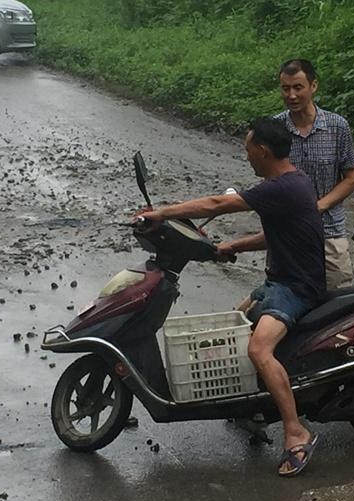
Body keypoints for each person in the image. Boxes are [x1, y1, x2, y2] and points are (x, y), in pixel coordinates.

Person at [137, 117, 325, 477]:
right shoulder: (291, 182)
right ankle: (254, 408)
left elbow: (214, 204)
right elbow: (279, 235)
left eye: (248, 150)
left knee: (257, 349)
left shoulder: (280, 187)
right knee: (235, 326)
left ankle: (296, 431)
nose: (247, 156)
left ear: (264, 151)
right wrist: (232, 246)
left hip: (297, 288)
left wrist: (159, 213)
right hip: (282, 282)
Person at [274, 59, 354, 288]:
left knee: (338, 305)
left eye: (298, 87)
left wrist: (319, 206)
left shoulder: (337, 126)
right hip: (287, 235)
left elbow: (351, 178)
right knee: (284, 300)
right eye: (285, 88)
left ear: (313, 86)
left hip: (329, 233)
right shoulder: (275, 129)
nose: (291, 95)